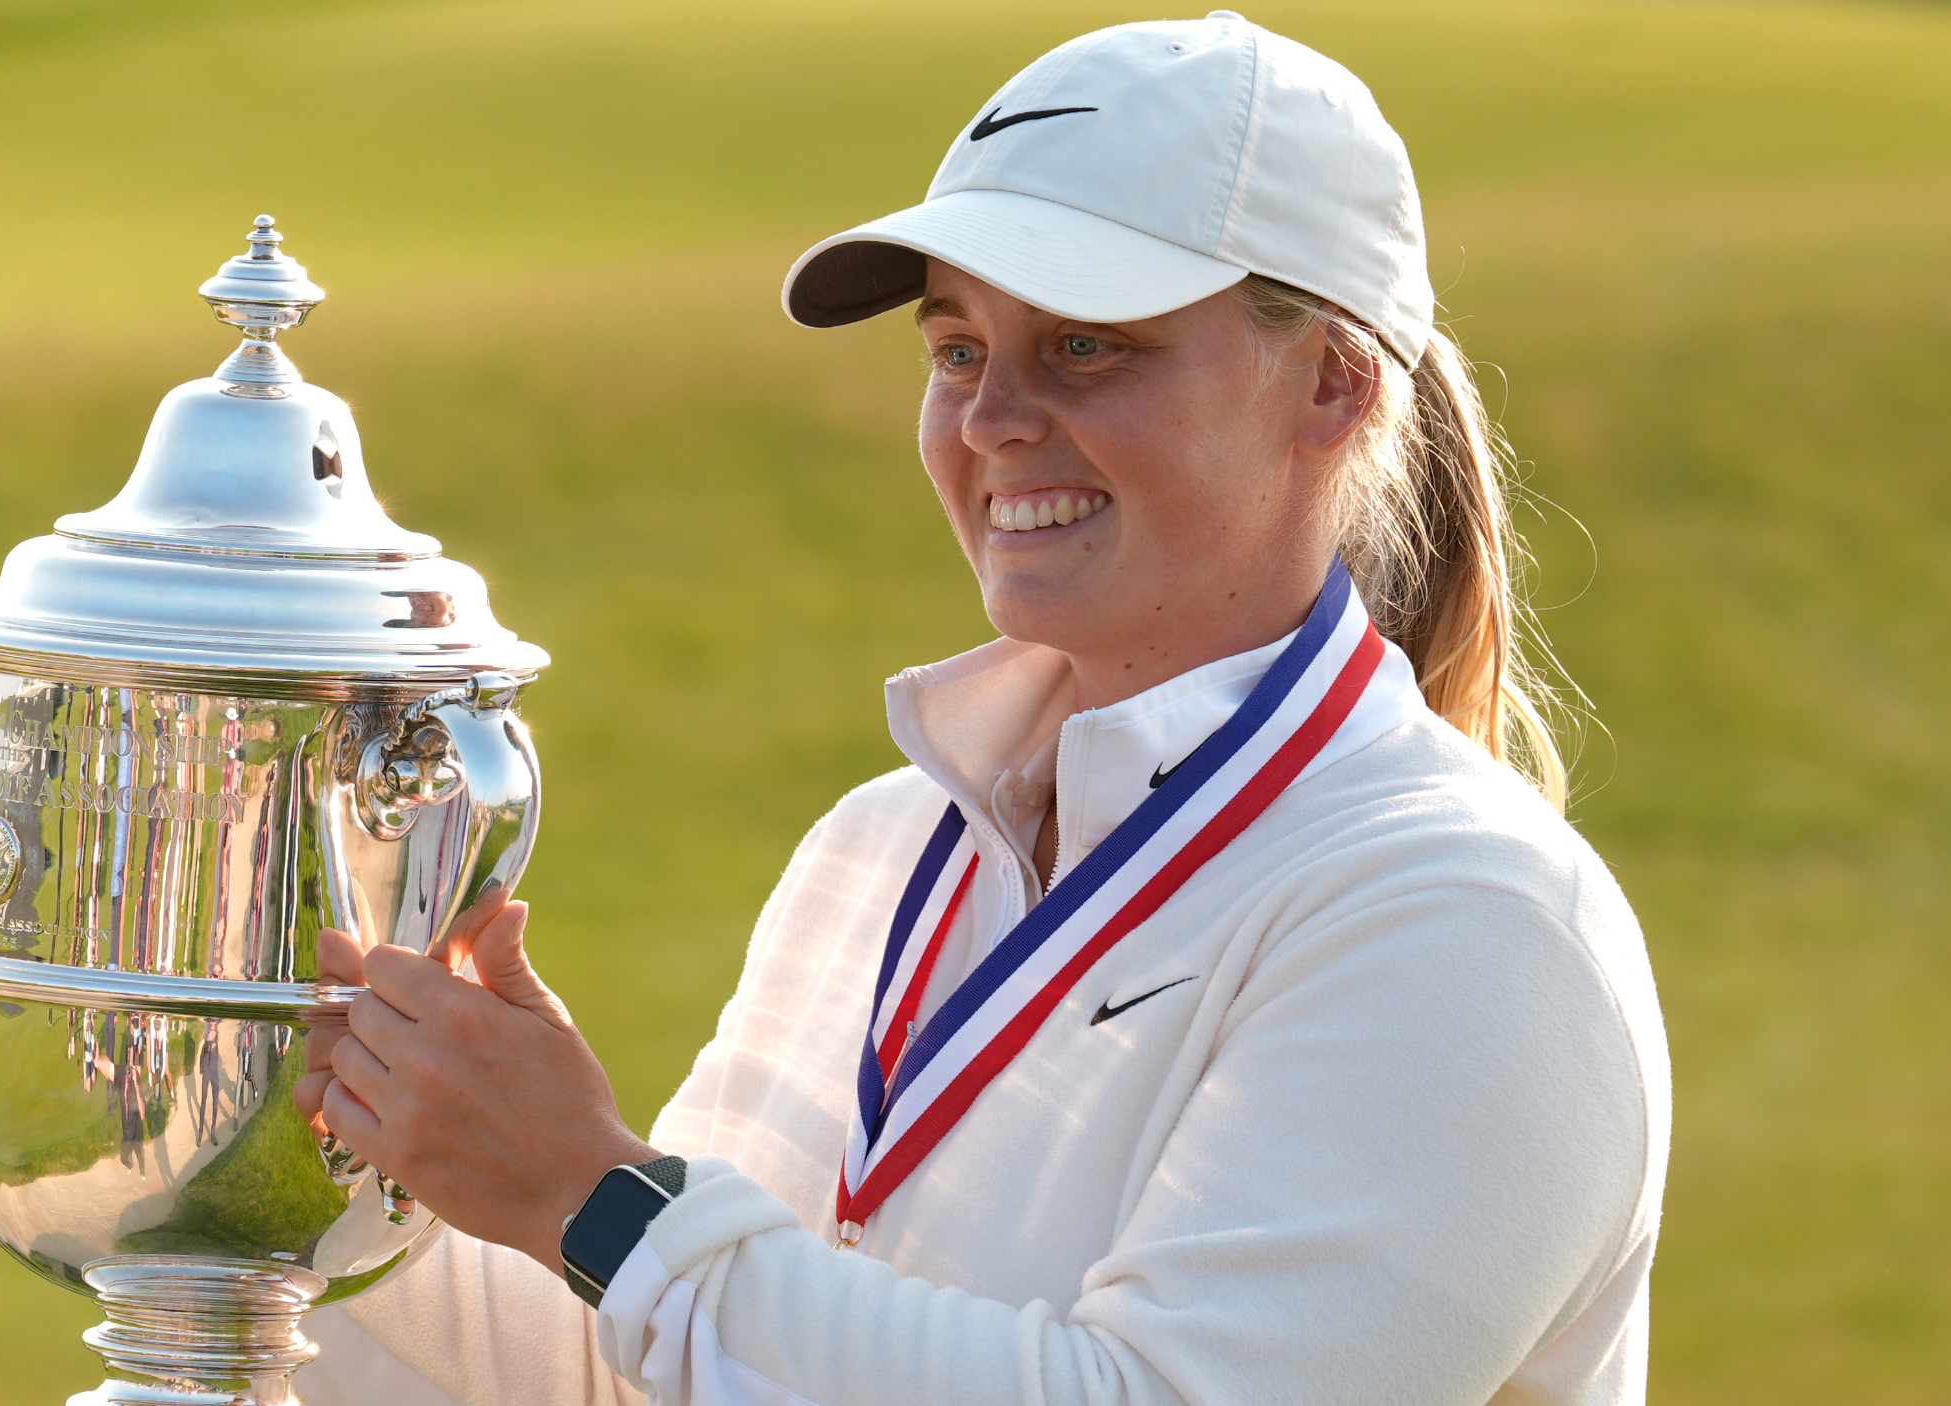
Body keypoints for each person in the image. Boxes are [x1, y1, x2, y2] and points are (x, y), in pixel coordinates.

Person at [293, 14, 1669, 1406]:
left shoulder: (1473, 920)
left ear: (1332, 381)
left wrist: (594, 1198)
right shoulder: (883, 845)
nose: (991, 417)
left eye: (1084, 345)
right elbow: (659, 1368)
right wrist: (317, 1143)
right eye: (956, 350)